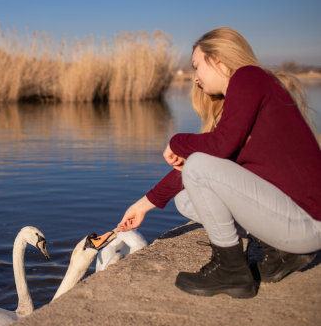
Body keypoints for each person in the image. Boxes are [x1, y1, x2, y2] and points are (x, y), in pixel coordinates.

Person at [117, 27, 321, 299]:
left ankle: (231, 270)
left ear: (218, 60)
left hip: (308, 222)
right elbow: (205, 166)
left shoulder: (248, 77)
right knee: (187, 199)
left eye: (196, 66)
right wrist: (142, 205)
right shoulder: (249, 92)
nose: (195, 78)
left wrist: (177, 141)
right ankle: (279, 251)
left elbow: (215, 150)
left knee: (198, 166)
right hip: (296, 222)